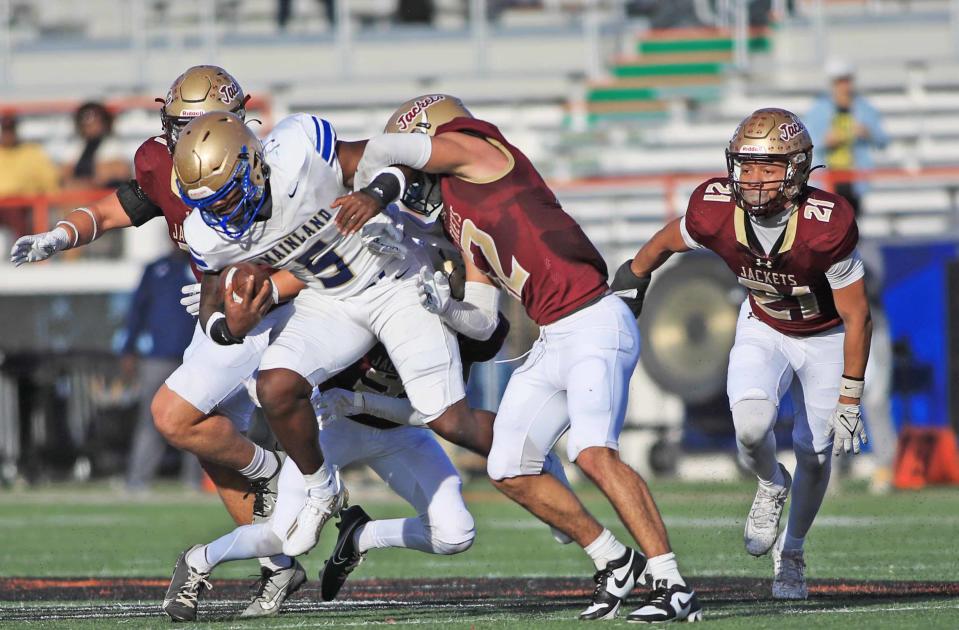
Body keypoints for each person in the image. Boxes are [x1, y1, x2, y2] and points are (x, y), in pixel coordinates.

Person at [334, 94, 700, 623]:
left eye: (413, 168)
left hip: (593, 319)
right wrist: (445, 307)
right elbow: (483, 319)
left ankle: (671, 583)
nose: (410, 182)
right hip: (553, 336)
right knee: (508, 466)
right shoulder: (457, 220)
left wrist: (357, 174)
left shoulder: (478, 153)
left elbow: (392, 148)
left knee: (594, 453)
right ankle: (612, 561)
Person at [176, 110, 564, 565]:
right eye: (210, 204)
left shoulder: (300, 155)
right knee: (275, 385)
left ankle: (542, 460)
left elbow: (392, 158)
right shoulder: (209, 232)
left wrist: (376, 194)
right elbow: (210, 306)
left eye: (224, 197)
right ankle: (322, 491)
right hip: (331, 302)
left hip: (395, 281)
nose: (220, 211)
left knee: (451, 422)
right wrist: (228, 328)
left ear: (252, 162)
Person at [9, 66, 305, 618]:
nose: (182, 137)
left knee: (173, 417)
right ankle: (280, 567)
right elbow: (113, 210)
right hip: (218, 317)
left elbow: (303, 245)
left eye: (197, 124)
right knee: (216, 450)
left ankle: (281, 475)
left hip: (270, 312)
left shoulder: (268, 161)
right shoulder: (158, 160)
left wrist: (245, 280)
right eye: (177, 123)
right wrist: (59, 235)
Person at [618, 108, 872, 599]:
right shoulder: (716, 208)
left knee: (815, 455)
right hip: (764, 325)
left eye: (769, 167)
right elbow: (673, 236)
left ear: (797, 169)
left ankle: (792, 552)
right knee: (751, 428)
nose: (755, 179)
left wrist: (850, 395)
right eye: (747, 166)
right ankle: (771, 483)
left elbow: (858, 315)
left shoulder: (826, 225)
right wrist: (635, 272)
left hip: (825, 337)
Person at [120, 247, 198, 491]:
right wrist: (129, 348)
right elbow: (137, 311)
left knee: (198, 418)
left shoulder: (206, 265)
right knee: (150, 419)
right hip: (158, 356)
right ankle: (138, 479)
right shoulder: (155, 269)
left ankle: (195, 481)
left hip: (197, 357)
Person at [805, 59, 888, 217]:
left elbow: (882, 141)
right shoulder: (818, 109)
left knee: (851, 221)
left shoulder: (864, 108)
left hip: (855, 177)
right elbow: (807, 142)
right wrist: (825, 141)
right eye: (839, 81)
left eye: (847, 80)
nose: (844, 86)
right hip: (827, 177)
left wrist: (868, 133)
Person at [0, 113, 60, 237]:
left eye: (10, 130)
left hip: (25, 204)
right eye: (4, 130)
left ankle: (26, 252)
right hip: (4, 204)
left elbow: (49, 181)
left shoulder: (32, 152)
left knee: (18, 215)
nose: (7, 134)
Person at [61, 101, 131, 190]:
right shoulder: (76, 146)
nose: (91, 126)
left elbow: (118, 172)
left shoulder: (112, 146)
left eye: (95, 121)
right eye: (86, 123)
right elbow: (65, 175)